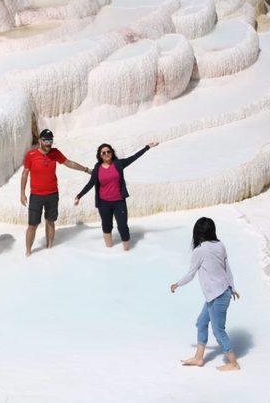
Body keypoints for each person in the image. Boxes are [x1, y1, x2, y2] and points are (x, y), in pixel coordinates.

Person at [170, 217, 241, 371]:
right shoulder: (220, 245)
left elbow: (190, 274)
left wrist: (177, 284)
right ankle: (198, 358)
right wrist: (233, 288)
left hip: (218, 296)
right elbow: (227, 268)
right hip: (220, 294)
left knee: (218, 330)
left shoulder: (200, 250)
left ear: (197, 232)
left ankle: (234, 363)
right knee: (201, 322)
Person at [74, 142, 158, 251]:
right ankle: (108, 251)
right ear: (100, 155)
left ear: (112, 153)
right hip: (103, 203)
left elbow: (133, 158)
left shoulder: (118, 164)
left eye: (108, 151)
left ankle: (127, 252)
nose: (106, 154)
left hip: (119, 202)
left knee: (123, 227)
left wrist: (147, 148)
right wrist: (79, 196)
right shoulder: (97, 168)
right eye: (103, 152)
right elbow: (91, 183)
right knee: (106, 226)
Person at [21, 129, 92, 256]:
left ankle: (49, 249)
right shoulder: (31, 155)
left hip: (52, 194)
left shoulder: (55, 153)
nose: (49, 143)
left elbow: (69, 163)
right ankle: (28, 252)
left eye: (50, 140)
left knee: (50, 221)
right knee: (32, 225)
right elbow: (25, 174)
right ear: (40, 141)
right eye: (46, 140)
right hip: (36, 195)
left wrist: (86, 169)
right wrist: (22, 193)